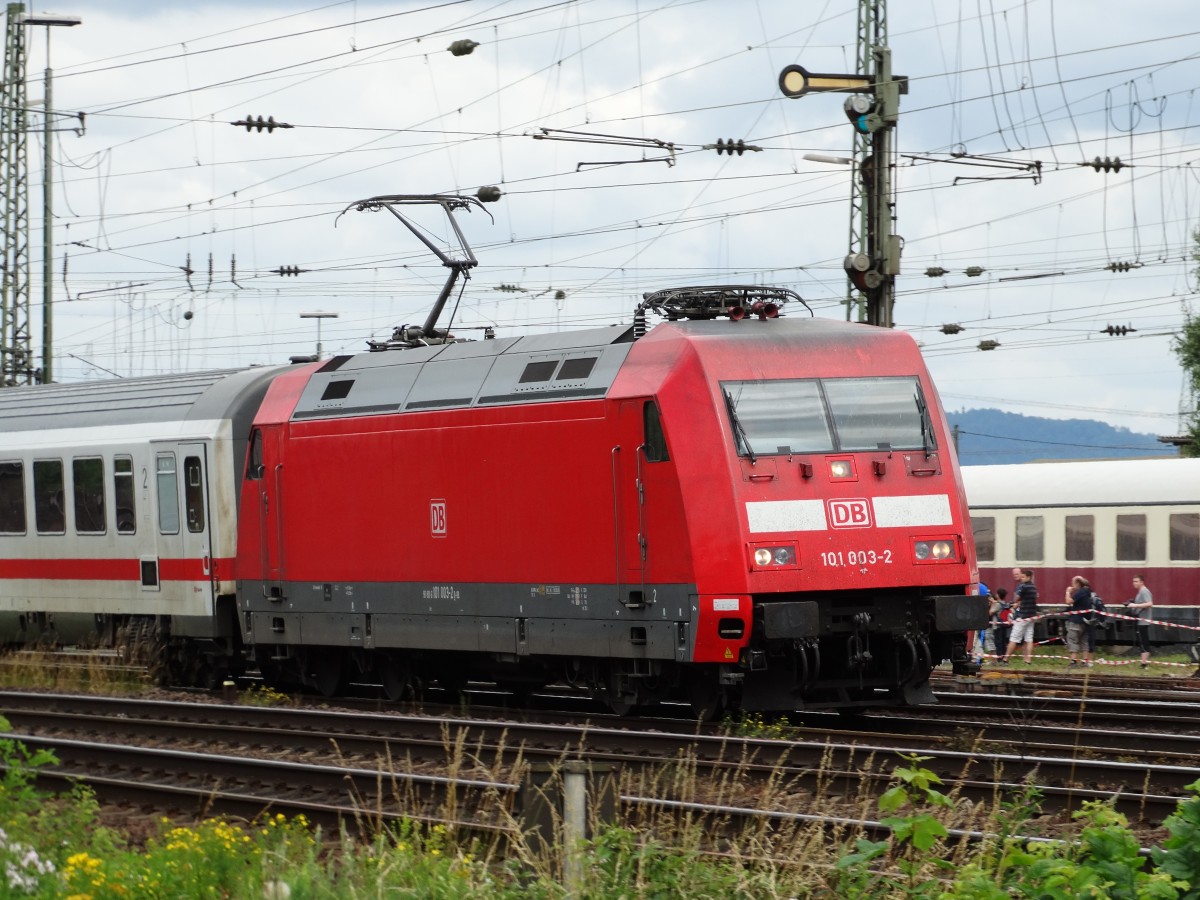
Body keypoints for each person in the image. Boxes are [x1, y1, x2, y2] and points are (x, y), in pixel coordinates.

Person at [1001, 569, 1039, 664]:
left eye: (1023, 577)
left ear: (1028, 577)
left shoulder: (1023, 587)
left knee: (1014, 638)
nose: (1021, 579)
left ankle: (1005, 659)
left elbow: (1016, 598)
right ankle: (1028, 660)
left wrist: (1016, 601)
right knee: (1029, 639)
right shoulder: (1034, 587)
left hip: (1023, 616)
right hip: (1031, 616)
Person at [1063, 576, 1094, 668]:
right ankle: (1085, 662)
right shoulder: (1088, 591)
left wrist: (1068, 592)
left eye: (1073, 583)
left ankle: (1073, 662)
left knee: (1073, 640)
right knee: (1084, 641)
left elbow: (1068, 601)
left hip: (1076, 620)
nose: (1072, 585)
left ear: (1078, 583)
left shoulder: (1080, 592)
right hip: (1086, 621)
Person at [1127, 574, 1153, 669]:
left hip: (1143, 621)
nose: (1134, 583)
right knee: (1142, 641)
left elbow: (1149, 603)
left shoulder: (1144, 591)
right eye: (1133, 581)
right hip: (1141, 620)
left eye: (1136, 581)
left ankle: (1144, 664)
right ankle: (1143, 663)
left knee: (1143, 641)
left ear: (1142, 582)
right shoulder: (1141, 592)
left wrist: (1134, 605)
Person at [990, 588, 1011, 659]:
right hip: (1004, 625)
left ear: (998, 595)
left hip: (997, 626)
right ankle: (1003, 656)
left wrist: (993, 604)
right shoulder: (1005, 603)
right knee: (1003, 642)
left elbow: (990, 612)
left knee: (998, 642)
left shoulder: (997, 604)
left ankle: (999, 657)